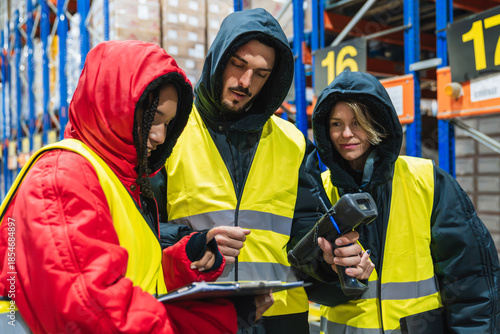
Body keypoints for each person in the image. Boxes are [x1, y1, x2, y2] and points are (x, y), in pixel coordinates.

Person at [0, 40, 273, 333]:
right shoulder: (62, 179)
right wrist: (219, 320)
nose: (159, 136)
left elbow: (136, 277)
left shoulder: (114, 177)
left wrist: (184, 258)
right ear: (113, 107)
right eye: (153, 119)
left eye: (168, 124)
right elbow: (95, 314)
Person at [152, 8, 373, 334]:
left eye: (261, 73)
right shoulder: (172, 132)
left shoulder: (292, 143)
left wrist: (330, 259)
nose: (245, 82)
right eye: (238, 65)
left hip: (281, 320)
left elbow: (305, 235)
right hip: (197, 315)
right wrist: (193, 243)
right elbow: (140, 227)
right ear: (217, 59)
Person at [311, 70, 500, 333]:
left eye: (357, 122)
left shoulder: (428, 181)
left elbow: (470, 279)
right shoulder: (320, 189)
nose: (346, 134)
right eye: (336, 124)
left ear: (377, 123)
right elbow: (308, 279)